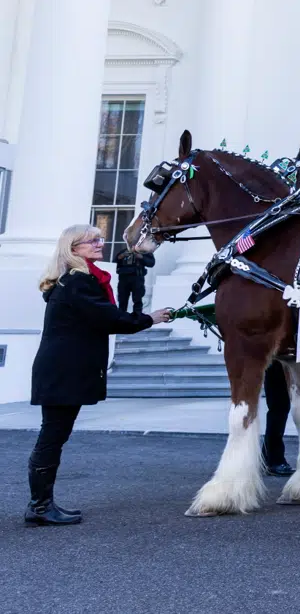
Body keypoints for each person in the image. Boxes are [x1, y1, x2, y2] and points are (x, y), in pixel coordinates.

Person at [26, 225, 172, 526]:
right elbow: (109, 317)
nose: (100, 244)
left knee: (54, 435)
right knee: (52, 437)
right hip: (63, 371)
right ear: (73, 248)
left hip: (62, 369)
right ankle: (39, 507)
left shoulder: (72, 280)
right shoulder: (79, 281)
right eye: (92, 241)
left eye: (99, 240)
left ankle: (41, 504)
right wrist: (150, 318)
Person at [261, 361, 294, 477]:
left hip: (279, 361)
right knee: (279, 407)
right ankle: (274, 460)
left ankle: (267, 457)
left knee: (279, 407)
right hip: (275, 360)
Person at [114, 248, 154, 315]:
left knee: (137, 300)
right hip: (123, 278)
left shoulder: (144, 251)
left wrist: (141, 257)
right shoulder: (124, 250)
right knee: (122, 300)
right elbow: (115, 260)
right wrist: (122, 256)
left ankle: (137, 318)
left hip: (137, 278)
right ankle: (121, 319)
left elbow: (151, 263)